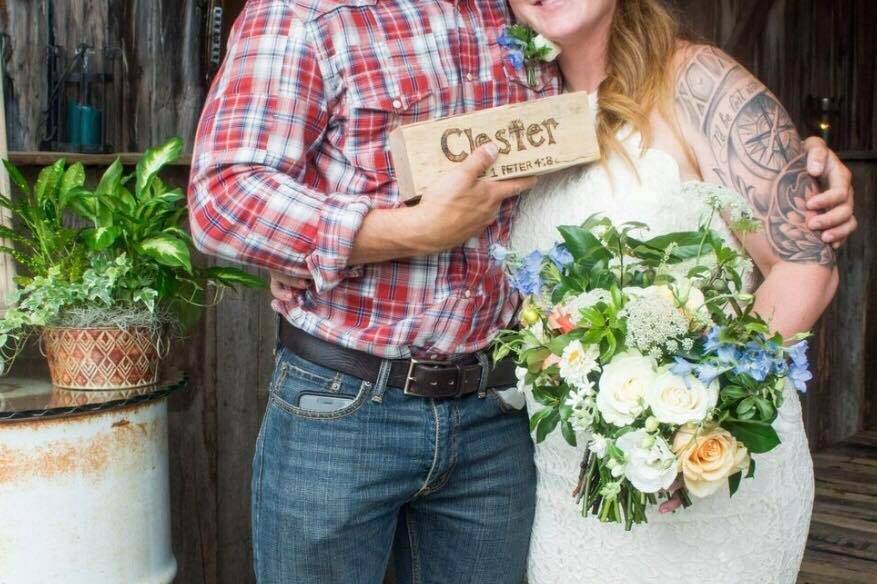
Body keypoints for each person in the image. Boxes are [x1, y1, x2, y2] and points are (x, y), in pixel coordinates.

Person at [190, 1, 856, 583]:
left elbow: (791, 246)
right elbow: (223, 202)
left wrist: (797, 167)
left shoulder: (535, 41)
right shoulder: (314, 12)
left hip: (504, 425)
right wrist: (395, 231)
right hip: (350, 404)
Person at [502, 1, 840, 582]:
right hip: (571, 489)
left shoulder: (699, 82)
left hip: (708, 477)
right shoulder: (519, 113)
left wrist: (698, 416)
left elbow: (804, 264)